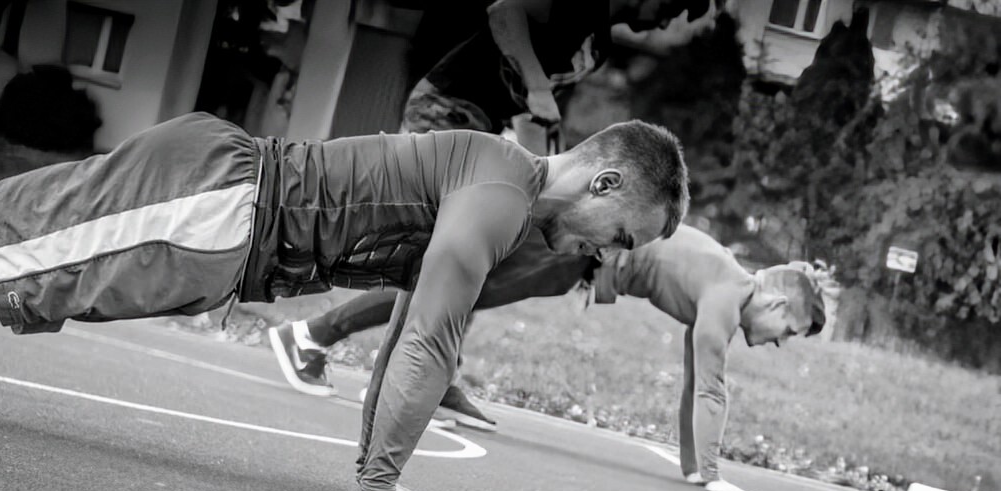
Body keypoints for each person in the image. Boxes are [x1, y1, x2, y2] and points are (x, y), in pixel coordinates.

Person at [0, 110, 690, 491]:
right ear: (605, 181)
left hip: (219, 212)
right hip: (216, 198)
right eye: (621, 235)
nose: (609, 256)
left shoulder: (502, 188)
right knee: (5, 243)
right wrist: (379, 485)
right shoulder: (499, 195)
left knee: (2, 236)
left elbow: (402, 331)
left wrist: (383, 476)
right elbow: (430, 335)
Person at [270, 0, 716, 428]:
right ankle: (322, 341)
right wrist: (538, 86)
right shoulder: (581, 7)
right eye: (671, 7)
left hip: (493, 127)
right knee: (448, 259)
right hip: (453, 108)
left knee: (485, 256)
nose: (664, 20)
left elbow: (531, 118)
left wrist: (546, 179)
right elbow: (505, 11)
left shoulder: (597, 44)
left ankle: (426, 374)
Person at [274, 224, 828, 491]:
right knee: (451, 287)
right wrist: (708, 477)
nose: (779, 342)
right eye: (789, 332)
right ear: (776, 303)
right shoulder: (726, 298)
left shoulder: (724, 282)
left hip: (579, 258)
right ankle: (313, 332)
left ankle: (412, 372)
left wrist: (696, 467)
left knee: (461, 287)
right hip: (578, 253)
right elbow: (708, 387)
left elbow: (696, 385)